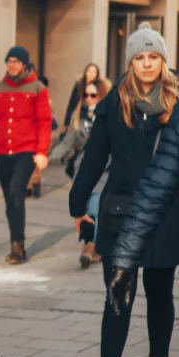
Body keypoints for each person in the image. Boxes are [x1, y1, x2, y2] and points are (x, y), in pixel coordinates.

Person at [69, 22, 179, 357]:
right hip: (121, 215)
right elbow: (93, 159)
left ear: (163, 60)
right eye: (140, 57)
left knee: (160, 295)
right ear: (131, 61)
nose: (148, 64)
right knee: (116, 295)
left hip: (167, 215)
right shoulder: (113, 104)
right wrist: (77, 206)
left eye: (154, 56)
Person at [0, 46, 53, 264]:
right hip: (2, 151)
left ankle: (17, 246)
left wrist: (42, 151)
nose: (12, 65)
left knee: (15, 193)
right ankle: (16, 238)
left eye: (16, 61)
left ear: (25, 64)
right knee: (10, 199)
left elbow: (44, 121)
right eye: (9, 61)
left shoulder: (38, 89)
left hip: (26, 151)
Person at [49, 79, 109, 269]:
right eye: (86, 95)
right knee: (84, 207)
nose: (89, 99)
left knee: (97, 206)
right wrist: (51, 156)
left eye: (93, 95)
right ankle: (91, 245)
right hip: (83, 168)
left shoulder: (109, 115)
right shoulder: (78, 116)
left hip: (105, 168)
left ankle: (92, 247)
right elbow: (68, 142)